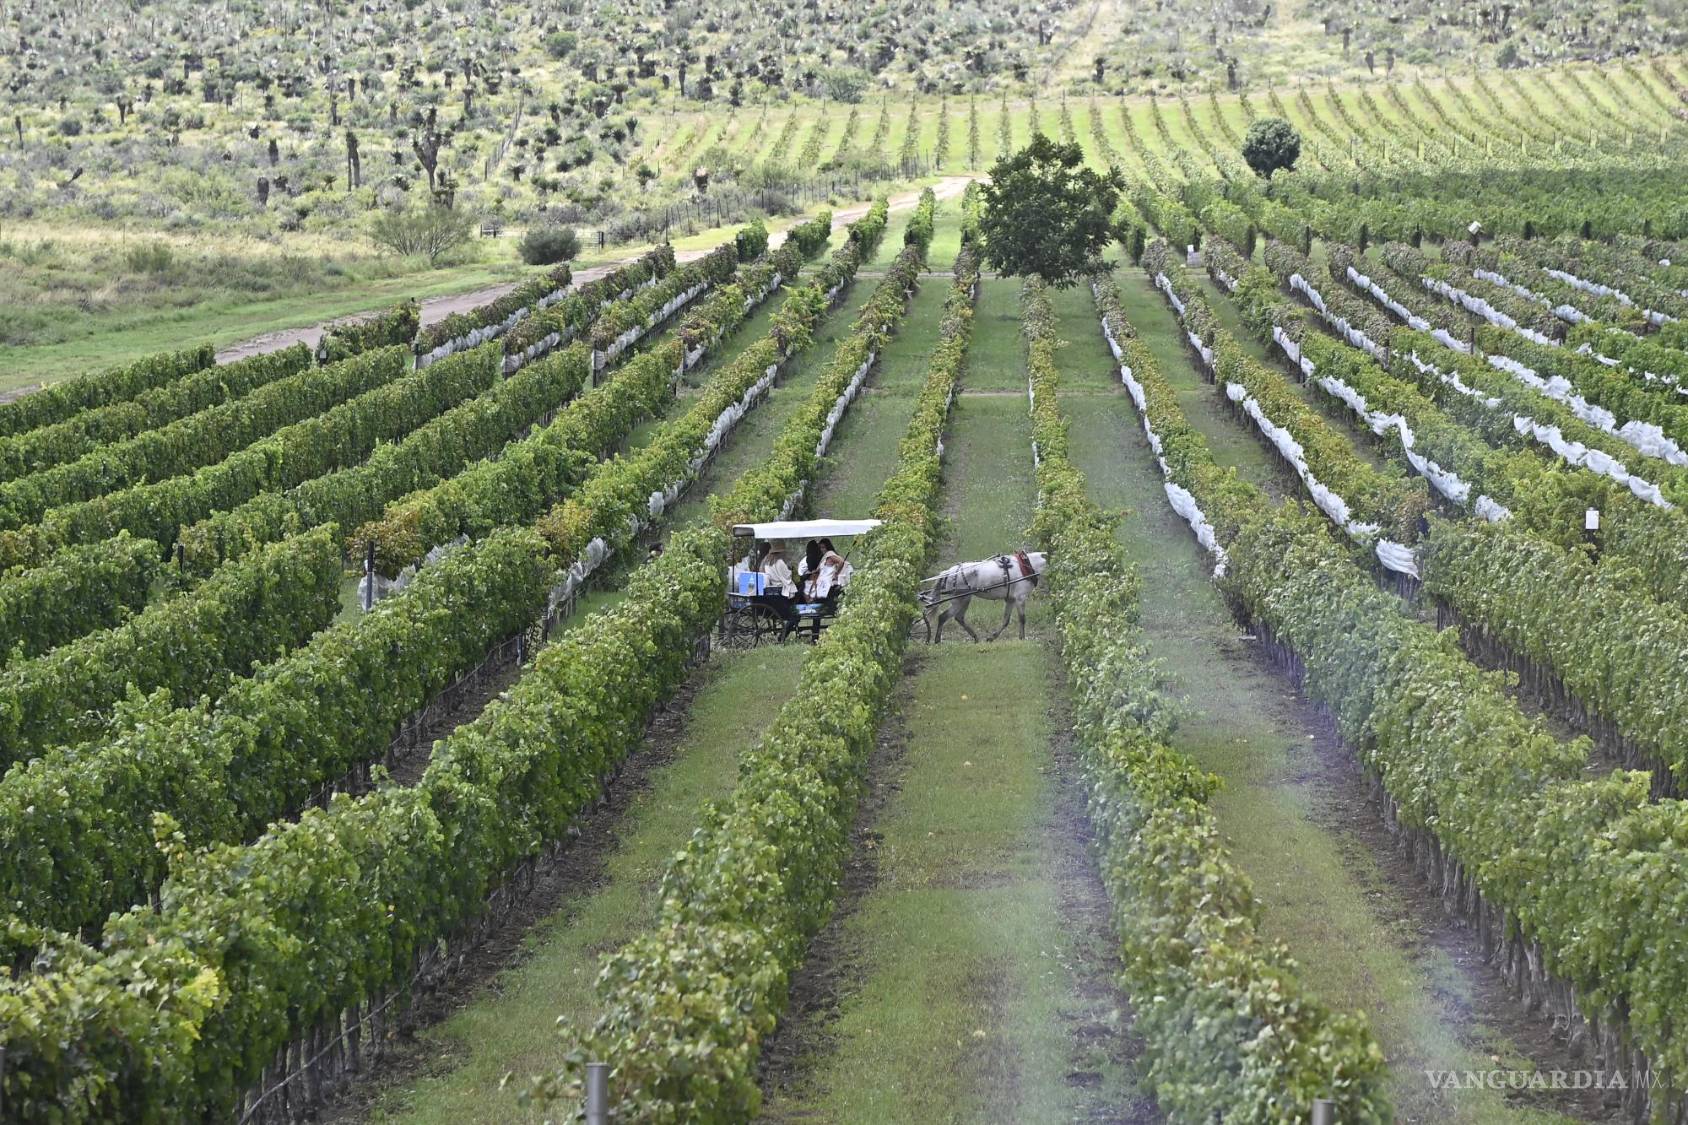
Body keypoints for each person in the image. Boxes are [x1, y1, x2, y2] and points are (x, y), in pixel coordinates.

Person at [755, 543, 800, 641]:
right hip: (780, 591)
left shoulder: (767, 562)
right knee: (795, 617)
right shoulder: (779, 562)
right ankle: (782, 637)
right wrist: (791, 570)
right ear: (780, 552)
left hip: (772, 589)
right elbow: (786, 576)